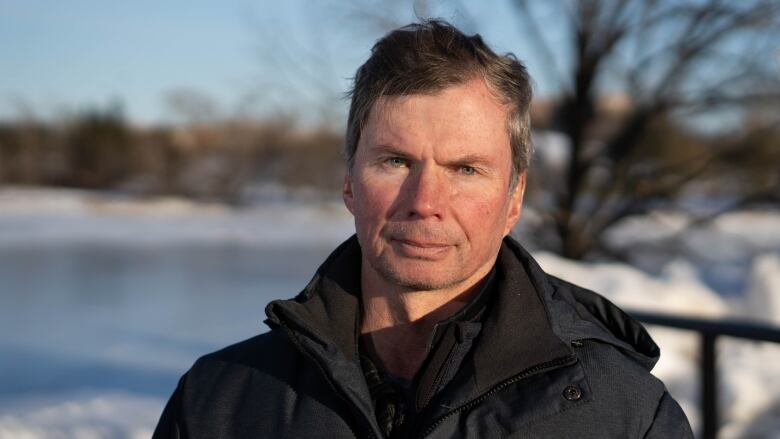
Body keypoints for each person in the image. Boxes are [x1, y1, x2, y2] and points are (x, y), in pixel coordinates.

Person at [153, 20, 693, 438]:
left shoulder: (625, 417)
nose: (425, 202)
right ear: (349, 181)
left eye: (466, 169)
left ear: (514, 198)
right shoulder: (220, 402)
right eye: (396, 162)